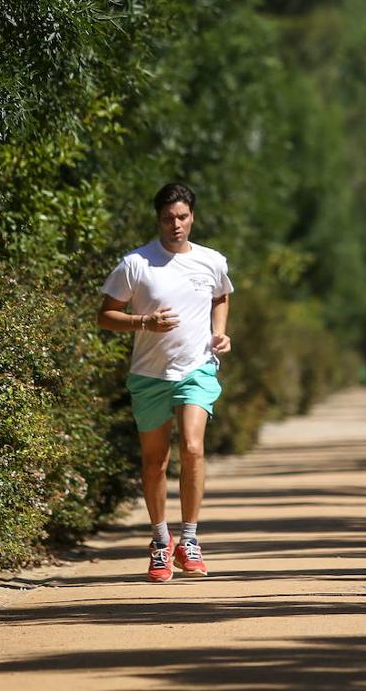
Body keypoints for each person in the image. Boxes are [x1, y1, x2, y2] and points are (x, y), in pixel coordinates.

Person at [97, 182, 233, 582]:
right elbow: (105, 315)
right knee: (155, 462)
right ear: (157, 219)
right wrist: (145, 322)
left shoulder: (212, 261)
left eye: (183, 217)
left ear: (193, 217)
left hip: (197, 369)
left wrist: (219, 332)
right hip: (149, 374)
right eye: (168, 218)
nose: (176, 225)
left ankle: (189, 540)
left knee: (192, 447)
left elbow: (222, 296)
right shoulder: (136, 264)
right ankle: (160, 542)